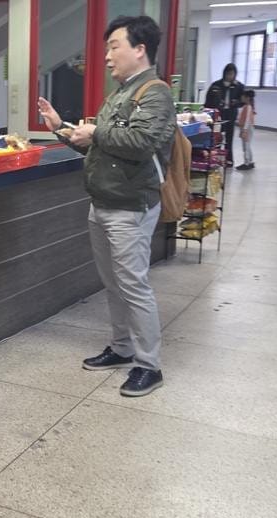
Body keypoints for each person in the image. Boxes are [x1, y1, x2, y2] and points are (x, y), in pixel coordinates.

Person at [36, 15, 175, 397]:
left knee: (133, 286)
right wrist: (60, 126)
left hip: (130, 206)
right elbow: (99, 143)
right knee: (114, 284)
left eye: (115, 47)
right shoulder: (121, 93)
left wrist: (96, 130)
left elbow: (142, 142)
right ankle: (122, 348)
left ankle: (150, 365)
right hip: (103, 202)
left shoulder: (155, 92)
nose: (108, 57)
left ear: (140, 49)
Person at [204, 63, 244, 164]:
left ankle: (229, 159)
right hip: (218, 115)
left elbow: (243, 101)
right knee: (217, 137)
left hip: (231, 115)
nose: (230, 76)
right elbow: (208, 101)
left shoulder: (238, 86)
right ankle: (215, 157)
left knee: (229, 138)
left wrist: (236, 103)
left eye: (232, 74)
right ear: (224, 73)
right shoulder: (216, 85)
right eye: (228, 74)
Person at [236, 89, 256, 171]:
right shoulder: (247, 106)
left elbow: (247, 120)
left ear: (247, 98)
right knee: (247, 145)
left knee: (246, 146)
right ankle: (250, 161)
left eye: (243, 96)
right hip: (245, 128)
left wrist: (244, 130)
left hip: (247, 128)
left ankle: (246, 163)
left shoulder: (248, 107)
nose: (241, 98)